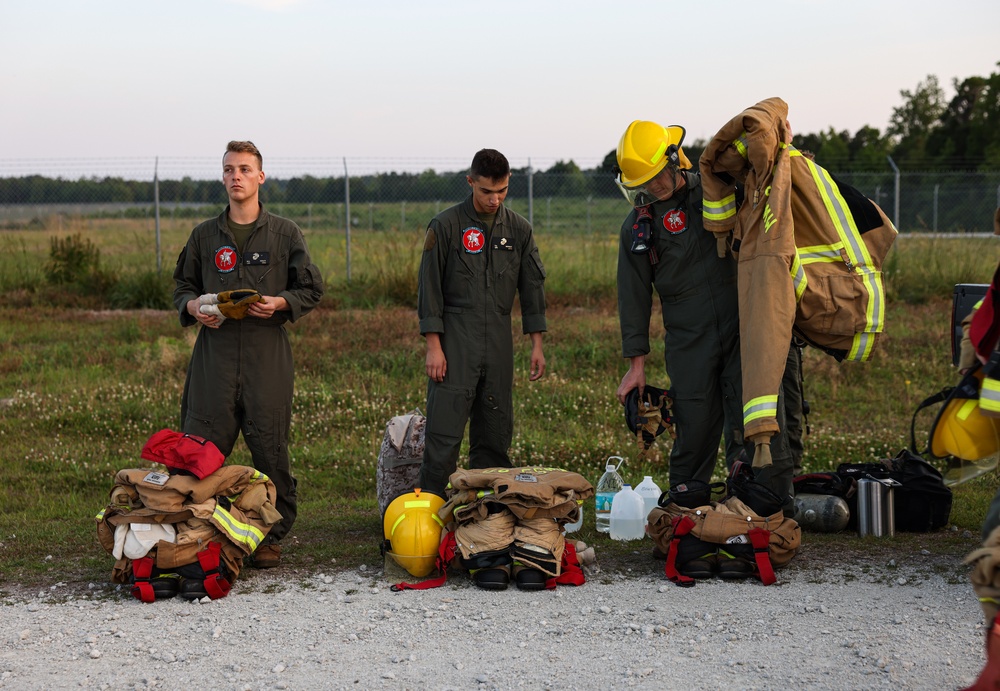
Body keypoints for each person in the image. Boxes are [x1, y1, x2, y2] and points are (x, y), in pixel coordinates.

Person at [614, 120, 792, 490]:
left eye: (658, 174)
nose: (654, 185)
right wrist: (636, 365)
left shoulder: (719, 189)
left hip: (744, 327)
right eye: (643, 181)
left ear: (674, 160)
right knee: (692, 430)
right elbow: (633, 298)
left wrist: (781, 150)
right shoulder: (637, 228)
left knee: (756, 421)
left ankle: (766, 510)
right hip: (688, 342)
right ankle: (684, 511)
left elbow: (769, 190)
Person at [172, 140, 324, 569]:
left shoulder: (284, 233)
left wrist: (280, 303)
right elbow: (182, 286)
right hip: (214, 358)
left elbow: (310, 288)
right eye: (228, 169)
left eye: (243, 169)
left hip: (266, 356)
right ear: (222, 177)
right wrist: (193, 308)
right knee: (200, 449)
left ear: (260, 176)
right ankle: (200, 529)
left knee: (271, 450)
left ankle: (269, 536)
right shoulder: (204, 235)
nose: (235, 176)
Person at [417, 149, 547, 497]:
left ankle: (486, 516)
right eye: (486, 191)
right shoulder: (445, 226)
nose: (494, 199)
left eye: (502, 191)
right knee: (443, 436)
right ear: (470, 182)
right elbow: (429, 288)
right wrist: (434, 346)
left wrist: (536, 344)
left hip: (499, 341)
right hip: (455, 340)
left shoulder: (518, 230)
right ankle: (431, 515)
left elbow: (532, 287)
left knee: (495, 432)